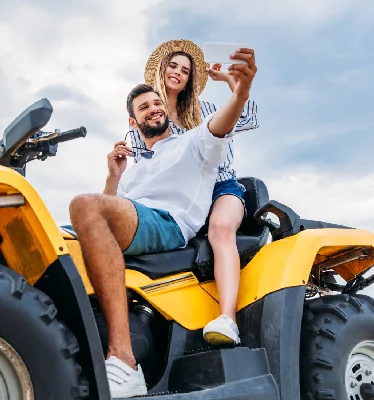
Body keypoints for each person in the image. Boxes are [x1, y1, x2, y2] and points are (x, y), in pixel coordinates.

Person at [69, 48, 257, 398]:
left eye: (157, 103)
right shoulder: (136, 166)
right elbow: (109, 205)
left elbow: (221, 125)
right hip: (135, 215)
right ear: (132, 122)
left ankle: (124, 361)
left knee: (83, 205)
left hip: (168, 223)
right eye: (144, 107)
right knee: (55, 236)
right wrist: (113, 175)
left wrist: (239, 93)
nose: (154, 108)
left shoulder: (194, 142)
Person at [129, 39, 260, 346]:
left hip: (220, 187)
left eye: (185, 70)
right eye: (173, 66)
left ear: (190, 80)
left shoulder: (209, 109)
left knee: (220, 230)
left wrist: (233, 83)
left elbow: (250, 117)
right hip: (177, 197)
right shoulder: (150, 121)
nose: (178, 73)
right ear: (161, 70)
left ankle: (228, 318)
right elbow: (143, 170)